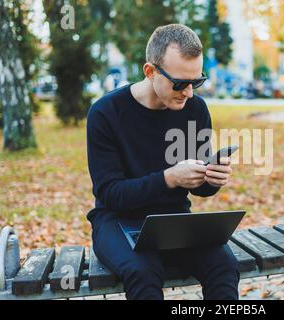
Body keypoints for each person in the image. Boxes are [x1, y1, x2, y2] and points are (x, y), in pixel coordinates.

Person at [86, 24, 239, 300]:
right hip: (117, 221)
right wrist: (168, 178)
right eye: (180, 83)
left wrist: (211, 178)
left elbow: (199, 189)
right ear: (150, 71)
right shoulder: (105, 113)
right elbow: (110, 195)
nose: (189, 93)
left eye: (197, 82)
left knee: (224, 266)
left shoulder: (195, 109)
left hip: (174, 221)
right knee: (143, 271)